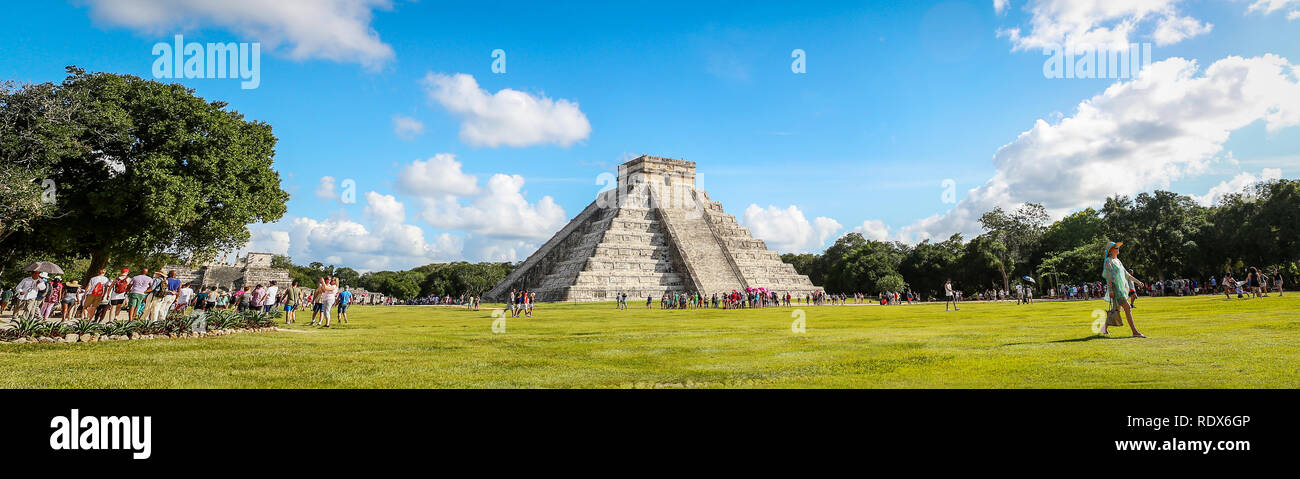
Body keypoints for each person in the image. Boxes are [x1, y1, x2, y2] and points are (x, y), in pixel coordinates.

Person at [1100, 242, 1146, 338]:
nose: (1118, 249)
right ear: (1111, 250)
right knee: (1128, 308)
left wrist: (1138, 282)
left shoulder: (1118, 261)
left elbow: (1127, 274)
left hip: (1121, 288)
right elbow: (1108, 277)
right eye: (1116, 247)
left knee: (1116, 310)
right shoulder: (1108, 261)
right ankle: (1135, 332)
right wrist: (1111, 290)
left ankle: (1104, 328)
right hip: (1116, 289)